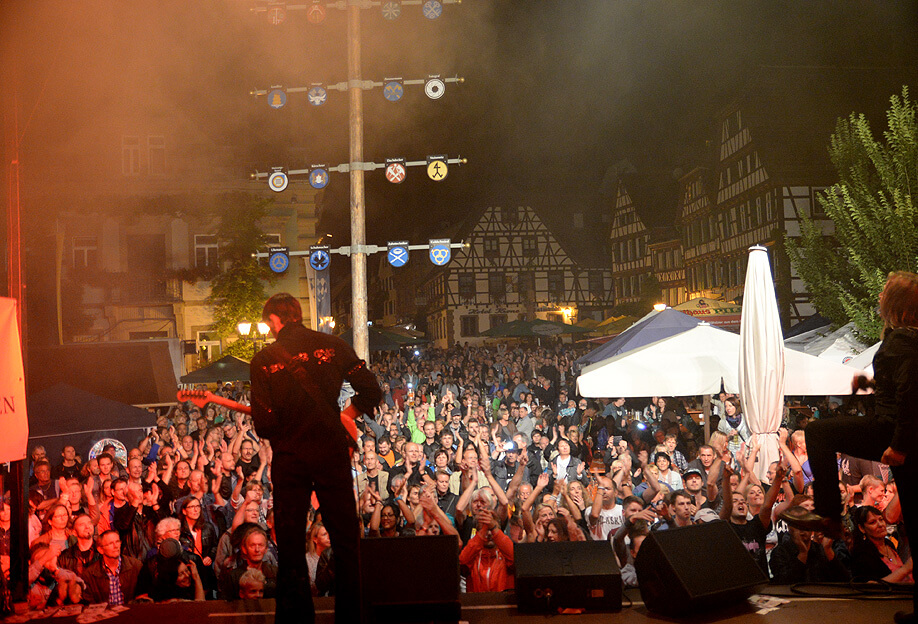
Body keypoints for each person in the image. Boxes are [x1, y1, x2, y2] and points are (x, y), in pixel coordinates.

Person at [785, 271, 918, 624]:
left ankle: (828, 513)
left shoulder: (904, 340)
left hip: (894, 431)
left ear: (898, 306)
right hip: (899, 431)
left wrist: (900, 446)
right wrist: (870, 382)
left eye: (884, 292)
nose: (877, 295)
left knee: (818, 433)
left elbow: (911, 392)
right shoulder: (906, 339)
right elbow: (898, 384)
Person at [249, 293, 382, 624]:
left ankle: (296, 620)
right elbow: (371, 390)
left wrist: (288, 429)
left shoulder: (264, 360)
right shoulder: (332, 345)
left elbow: (264, 425)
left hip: (291, 457)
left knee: (291, 542)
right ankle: (353, 617)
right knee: (346, 540)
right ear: (297, 315)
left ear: (273, 320)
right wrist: (343, 416)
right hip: (330, 453)